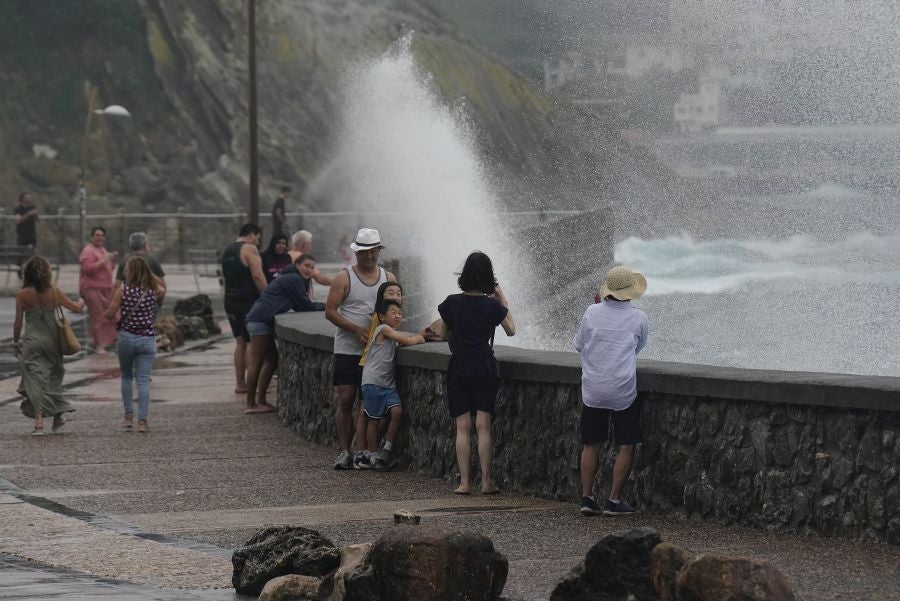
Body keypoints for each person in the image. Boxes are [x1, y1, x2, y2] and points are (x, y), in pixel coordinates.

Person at [438, 251, 515, 495]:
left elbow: (441, 334)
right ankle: (486, 482)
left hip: (459, 364)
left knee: (462, 426)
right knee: (483, 426)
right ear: (488, 277)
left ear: (465, 275)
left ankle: (464, 483)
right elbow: (511, 330)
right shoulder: (492, 306)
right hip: (483, 364)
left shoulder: (451, 302)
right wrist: (502, 300)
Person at [573, 265, 649, 517]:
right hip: (622, 389)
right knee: (626, 445)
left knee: (591, 444)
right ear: (630, 292)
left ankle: (587, 497)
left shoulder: (592, 312)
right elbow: (637, 347)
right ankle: (614, 500)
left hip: (593, 388)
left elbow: (578, 345)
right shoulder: (638, 318)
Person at [325, 227, 396, 470]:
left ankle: (364, 452)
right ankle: (345, 450)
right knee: (346, 399)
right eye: (364, 252)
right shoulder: (344, 278)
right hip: (347, 348)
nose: (369, 256)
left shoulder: (388, 279)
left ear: (379, 251)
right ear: (357, 253)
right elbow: (330, 312)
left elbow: (396, 311)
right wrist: (355, 329)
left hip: (375, 353)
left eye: (373, 251)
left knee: (369, 404)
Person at [244, 254, 325, 414]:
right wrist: (326, 305)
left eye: (311, 267)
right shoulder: (293, 279)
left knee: (272, 360)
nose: (309, 270)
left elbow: (298, 304)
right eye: (306, 266)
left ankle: (260, 401)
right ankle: (250, 404)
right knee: (256, 362)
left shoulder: (291, 277)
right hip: (260, 320)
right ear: (297, 265)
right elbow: (303, 305)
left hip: (261, 320)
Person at [13, 256, 85, 435]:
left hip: (31, 342)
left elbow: (17, 324)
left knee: (36, 380)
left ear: (27, 274)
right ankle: (58, 418)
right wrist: (82, 300)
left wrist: (16, 342)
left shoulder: (22, 295)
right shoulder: (53, 292)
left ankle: (39, 422)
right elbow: (76, 308)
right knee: (54, 376)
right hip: (52, 342)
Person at [358, 299, 424, 470]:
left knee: (397, 412)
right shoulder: (382, 329)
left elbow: (403, 338)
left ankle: (386, 449)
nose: (398, 316)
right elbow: (408, 340)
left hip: (387, 384)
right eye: (393, 312)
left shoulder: (391, 333)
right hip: (373, 382)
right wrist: (420, 338)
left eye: (400, 313)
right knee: (374, 420)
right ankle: (372, 455)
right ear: (381, 316)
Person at [104, 256, 165, 433]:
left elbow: (109, 314)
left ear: (130, 271)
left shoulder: (123, 290)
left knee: (126, 376)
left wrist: (107, 313)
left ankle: (128, 416)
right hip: (147, 338)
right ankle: (143, 421)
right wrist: (149, 276)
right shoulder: (154, 290)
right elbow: (162, 287)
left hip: (127, 338)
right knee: (144, 380)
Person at [354, 281, 404, 469]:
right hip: (370, 372)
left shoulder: (390, 319)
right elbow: (394, 336)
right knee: (367, 415)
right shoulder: (381, 321)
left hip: (380, 377)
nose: (395, 296)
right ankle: (366, 454)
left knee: (373, 414)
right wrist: (420, 337)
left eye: (398, 294)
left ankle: (371, 452)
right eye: (390, 293)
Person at [222, 223, 267, 394]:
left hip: (230, 300)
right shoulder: (249, 249)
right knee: (250, 342)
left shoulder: (228, 250)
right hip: (248, 300)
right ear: (253, 234)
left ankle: (240, 384)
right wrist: (268, 295)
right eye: (258, 237)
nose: (258, 242)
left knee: (240, 342)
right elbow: (257, 274)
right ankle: (252, 385)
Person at [79, 226, 119, 352]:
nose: (99, 237)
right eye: (97, 235)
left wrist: (112, 260)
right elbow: (88, 269)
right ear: (91, 237)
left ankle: (97, 340)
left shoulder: (103, 250)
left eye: (102, 235)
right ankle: (99, 345)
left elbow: (109, 269)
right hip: (92, 288)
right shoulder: (88, 251)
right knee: (98, 317)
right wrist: (105, 259)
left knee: (114, 315)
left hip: (106, 288)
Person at [115, 232, 167, 301]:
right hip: (149, 303)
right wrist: (157, 304)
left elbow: (117, 285)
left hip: (128, 302)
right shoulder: (152, 261)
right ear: (145, 245)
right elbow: (163, 286)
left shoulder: (124, 261)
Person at [288, 230, 333, 296]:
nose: (311, 247)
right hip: (299, 297)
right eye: (310, 243)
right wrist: (340, 282)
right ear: (304, 245)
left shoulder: (288, 254)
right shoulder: (301, 257)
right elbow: (320, 279)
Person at [14, 192, 38, 276]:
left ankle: (31, 272)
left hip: (32, 234)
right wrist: (28, 214)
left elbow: (38, 220)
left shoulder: (32, 207)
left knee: (32, 255)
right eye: (26, 197)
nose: (28, 199)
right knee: (21, 255)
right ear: (22, 199)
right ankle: (19, 271)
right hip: (22, 235)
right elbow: (18, 220)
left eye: (29, 197)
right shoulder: (18, 209)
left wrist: (35, 214)